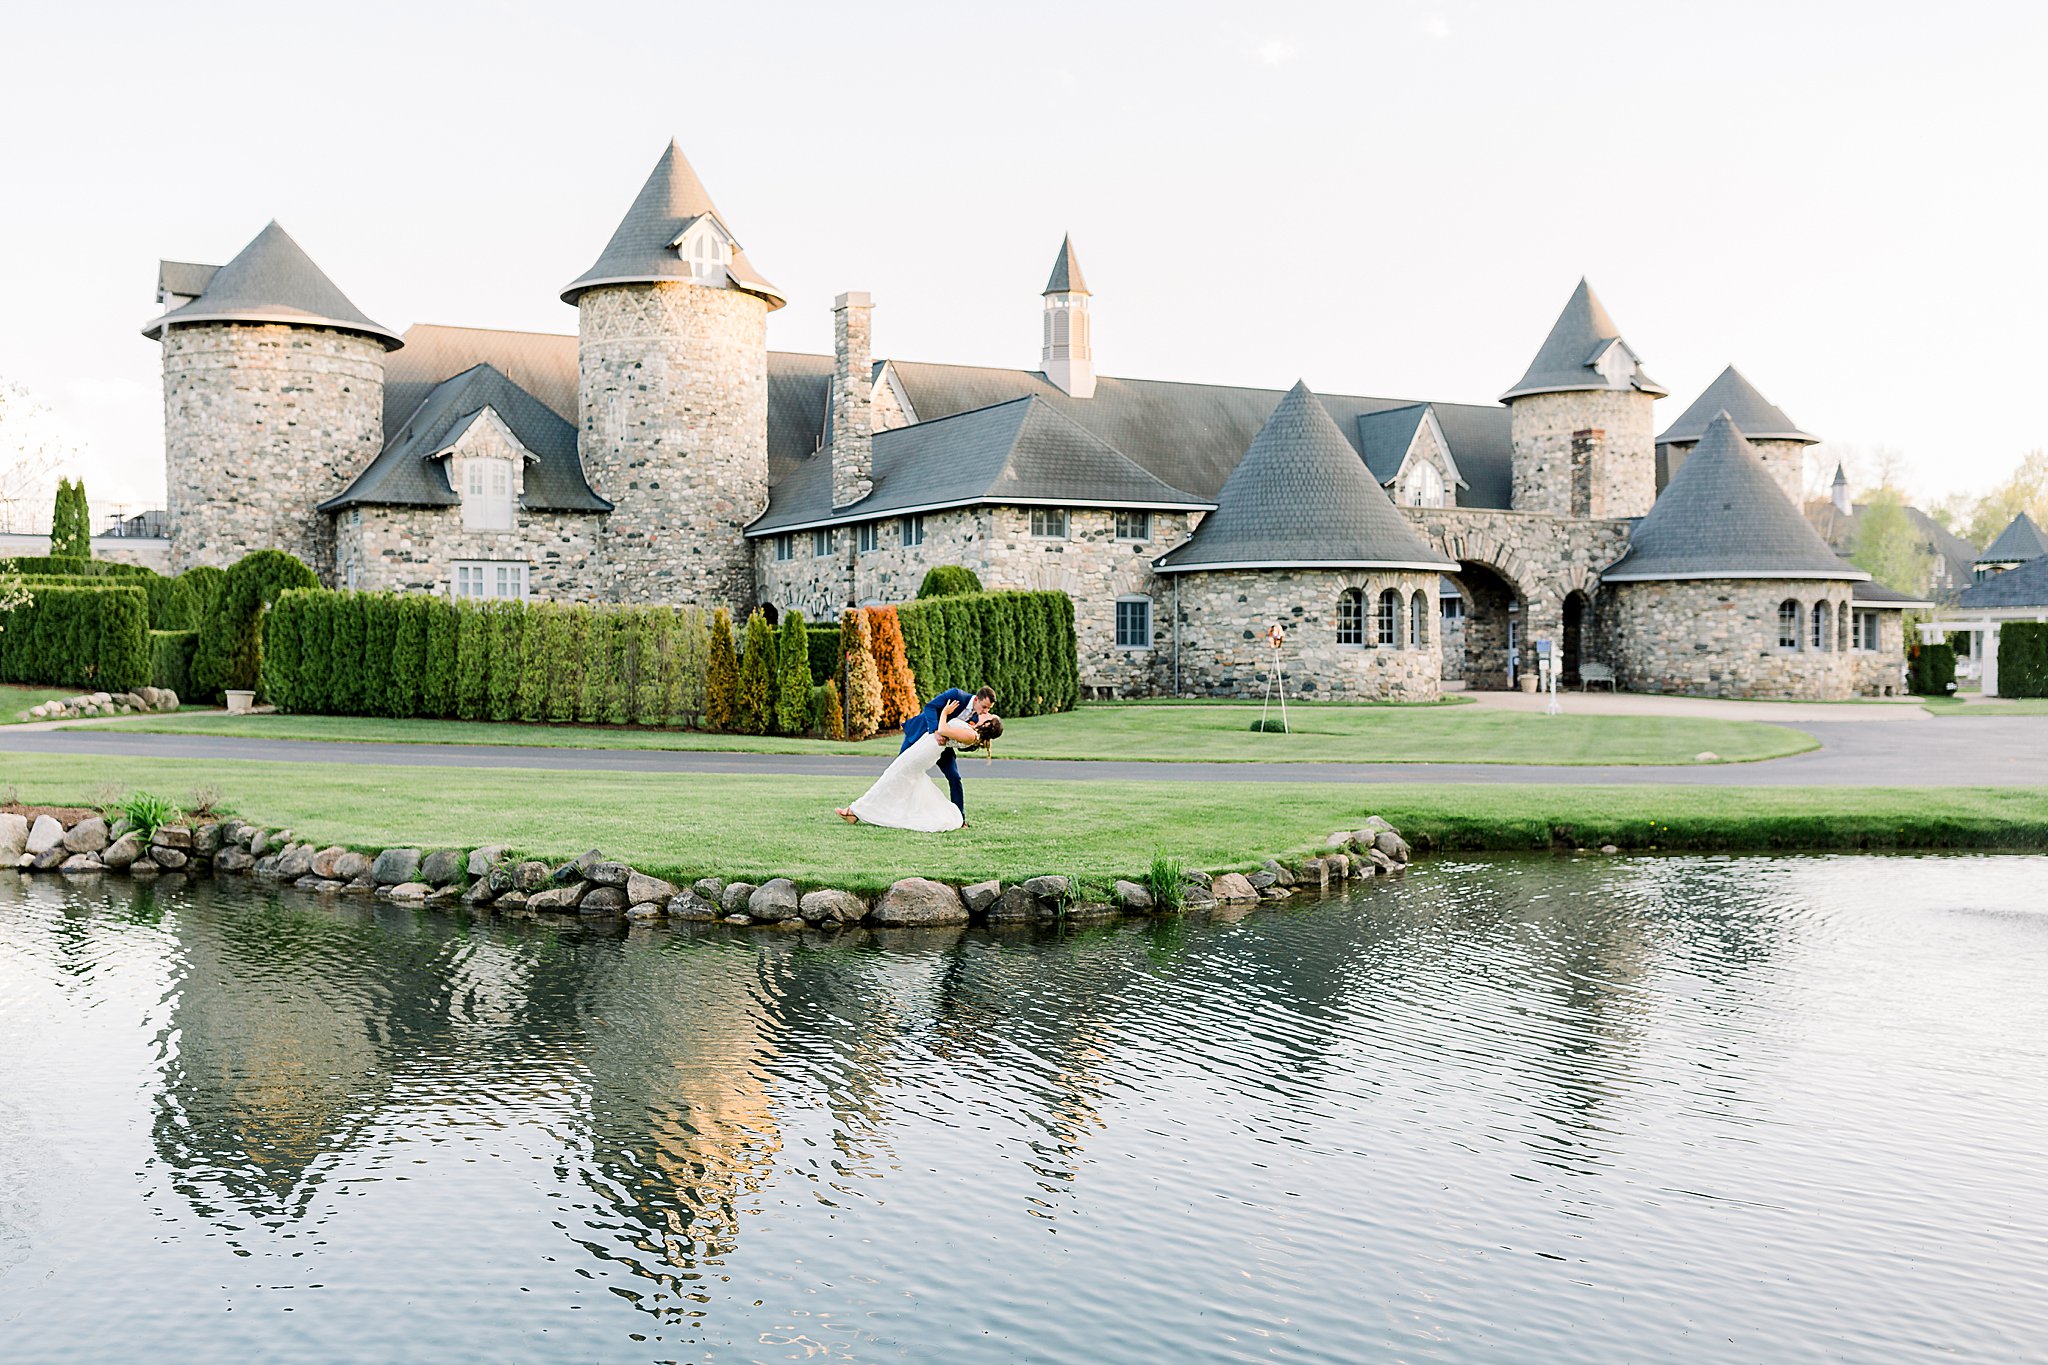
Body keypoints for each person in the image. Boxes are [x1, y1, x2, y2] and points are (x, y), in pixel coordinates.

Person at [837, 697, 1002, 832]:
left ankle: (854, 811)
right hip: (924, 746)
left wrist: (945, 712)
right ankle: (858, 810)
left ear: (987, 724)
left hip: (926, 751)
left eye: (989, 715)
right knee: (895, 777)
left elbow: (943, 730)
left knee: (892, 776)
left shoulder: (971, 735)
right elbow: (934, 713)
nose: (987, 712)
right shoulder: (971, 728)